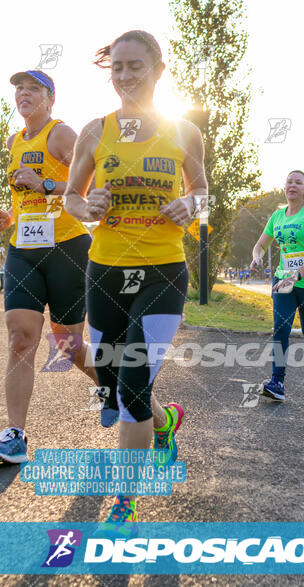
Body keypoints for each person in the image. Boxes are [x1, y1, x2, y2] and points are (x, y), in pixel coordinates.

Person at [65, 30, 208, 537]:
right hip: (104, 271)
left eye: (135, 67)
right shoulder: (94, 131)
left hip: (163, 270)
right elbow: (71, 198)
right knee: (109, 381)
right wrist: (88, 207)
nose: (125, 77)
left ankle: (124, 501)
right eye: (117, 68)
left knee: (131, 386)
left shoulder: (184, 133)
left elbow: (205, 193)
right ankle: (166, 421)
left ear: (158, 70)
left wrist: (190, 204)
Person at [0, 70, 96, 464]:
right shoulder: (12, 141)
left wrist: (48, 186)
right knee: (21, 338)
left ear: (50, 98)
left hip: (67, 249)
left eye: (33, 89)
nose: (24, 93)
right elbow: (25, 200)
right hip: (23, 249)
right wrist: (8, 216)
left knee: (69, 347)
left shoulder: (61, 134)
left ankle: (137, 400)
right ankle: (15, 434)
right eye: (19, 89)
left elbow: (89, 185)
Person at [250, 170, 304, 401]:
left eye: (298, 182)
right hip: (283, 281)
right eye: (289, 181)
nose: (293, 185)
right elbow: (260, 245)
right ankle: (277, 382)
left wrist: (296, 276)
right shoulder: (277, 217)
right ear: (284, 187)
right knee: (281, 327)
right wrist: (257, 256)